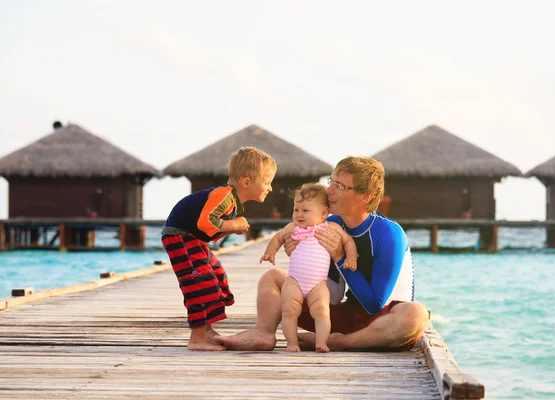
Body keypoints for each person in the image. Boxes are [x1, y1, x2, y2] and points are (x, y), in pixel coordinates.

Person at [216, 156, 429, 352]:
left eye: (339, 186)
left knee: (416, 316)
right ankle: (264, 332)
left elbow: (374, 304)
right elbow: (332, 292)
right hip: (342, 315)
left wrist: (340, 256)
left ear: (366, 196)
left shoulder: (388, 234)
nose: (329, 191)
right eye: (331, 181)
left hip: (382, 323)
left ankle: (339, 342)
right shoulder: (330, 224)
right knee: (273, 278)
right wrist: (297, 252)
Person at [161, 147, 276, 351]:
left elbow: (209, 231)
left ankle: (207, 330)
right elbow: (206, 223)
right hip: (180, 236)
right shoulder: (223, 196)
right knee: (199, 281)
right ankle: (196, 338)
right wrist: (235, 225)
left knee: (216, 276)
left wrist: (231, 229)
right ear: (246, 182)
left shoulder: (232, 201)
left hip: (194, 239)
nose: (270, 188)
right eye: (267, 182)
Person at [259, 183, 357, 352]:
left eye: (305, 211)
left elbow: (348, 240)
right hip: (294, 281)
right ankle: (292, 343)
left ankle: (321, 342)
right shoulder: (293, 228)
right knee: (289, 311)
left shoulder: (331, 228)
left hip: (318, 284)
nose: (299, 214)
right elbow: (278, 237)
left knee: (322, 311)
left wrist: (351, 257)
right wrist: (270, 252)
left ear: (324, 213)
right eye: (296, 209)